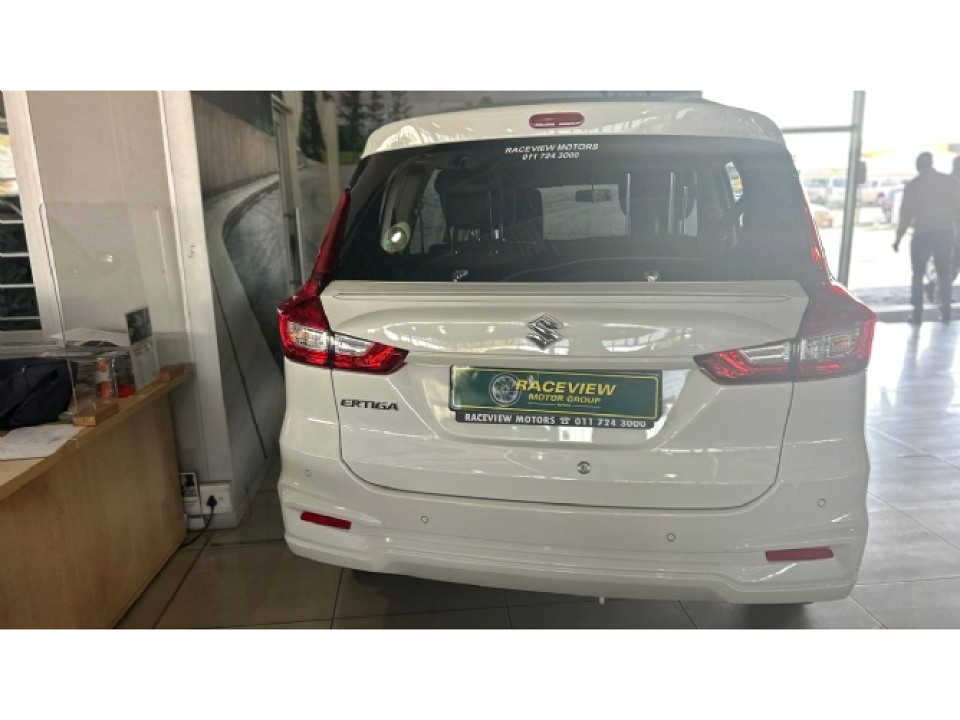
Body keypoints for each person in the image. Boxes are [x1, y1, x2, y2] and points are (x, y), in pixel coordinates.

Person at [893, 152, 960, 323]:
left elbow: (905, 215)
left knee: (918, 273)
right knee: (944, 272)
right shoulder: (949, 182)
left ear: (918, 166)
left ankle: (917, 313)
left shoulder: (914, 185)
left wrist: (898, 238)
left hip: (922, 233)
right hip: (945, 231)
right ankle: (945, 310)